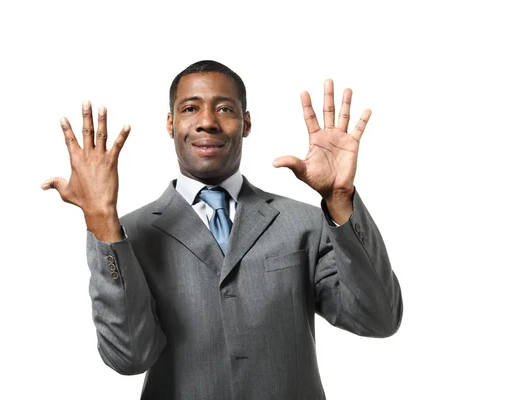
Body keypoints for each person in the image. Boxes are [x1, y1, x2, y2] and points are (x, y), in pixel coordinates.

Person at [41, 60, 403, 399]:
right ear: (170, 124)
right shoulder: (129, 234)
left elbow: (378, 318)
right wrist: (102, 218)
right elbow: (129, 358)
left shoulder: (304, 223)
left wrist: (340, 198)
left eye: (225, 109)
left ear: (246, 123)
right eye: (190, 108)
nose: (207, 122)